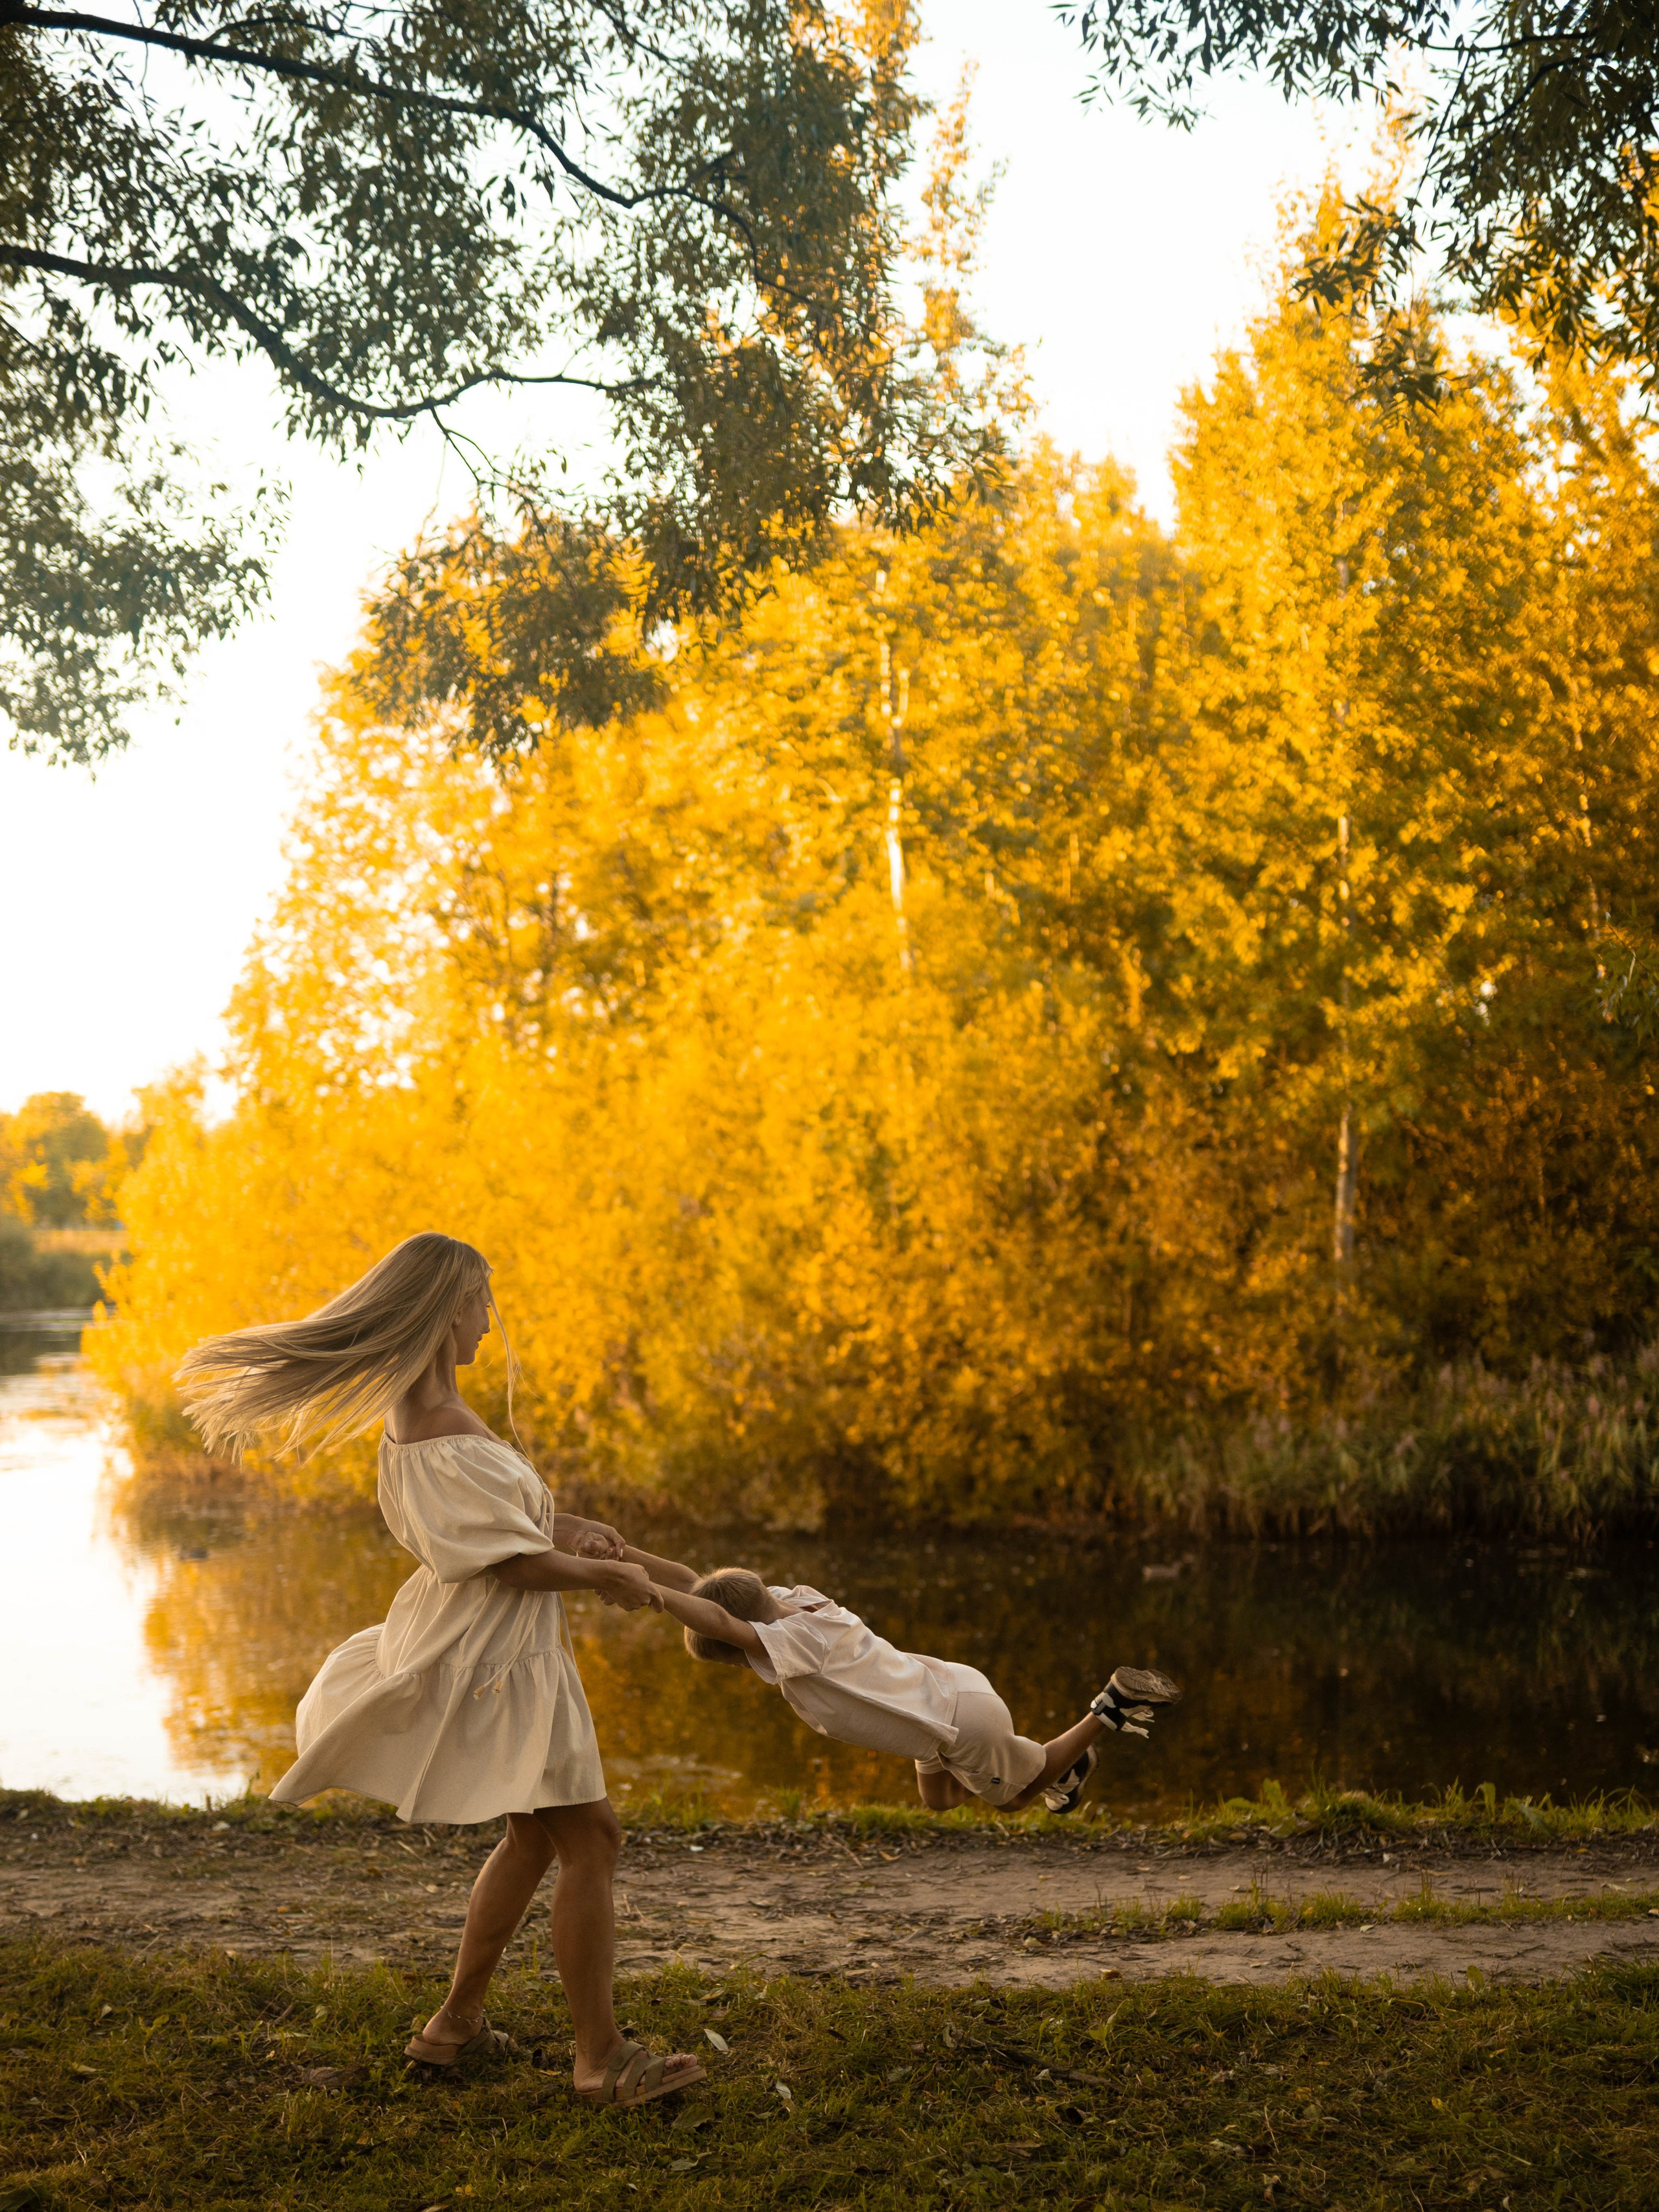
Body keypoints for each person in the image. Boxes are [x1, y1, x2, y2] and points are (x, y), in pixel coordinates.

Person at [176, 1231, 704, 2109]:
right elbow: (509, 1564)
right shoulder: (438, 1427)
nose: (488, 1323)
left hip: (488, 1643)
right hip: (497, 1654)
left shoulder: (425, 1415)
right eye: (480, 1303)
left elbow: (496, 1526)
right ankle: (600, 2060)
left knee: (534, 1836)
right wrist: (600, 1577)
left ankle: (453, 2025)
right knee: (592, 1838)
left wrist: (570, 1528)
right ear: (446, 1307)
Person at [588, 1544, 1180, 1814]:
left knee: (1016, 1798)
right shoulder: (801, 1601)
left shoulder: (794, 1645)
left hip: (959, 1721)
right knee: (939, 1800)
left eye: (737, 1660)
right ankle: (1050, 1762)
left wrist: (647, 1592)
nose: (747, 1665)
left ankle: (1108, 1707)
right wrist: (624, 1556)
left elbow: (717, 1618)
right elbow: (705, 1588)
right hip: (945, 1688)